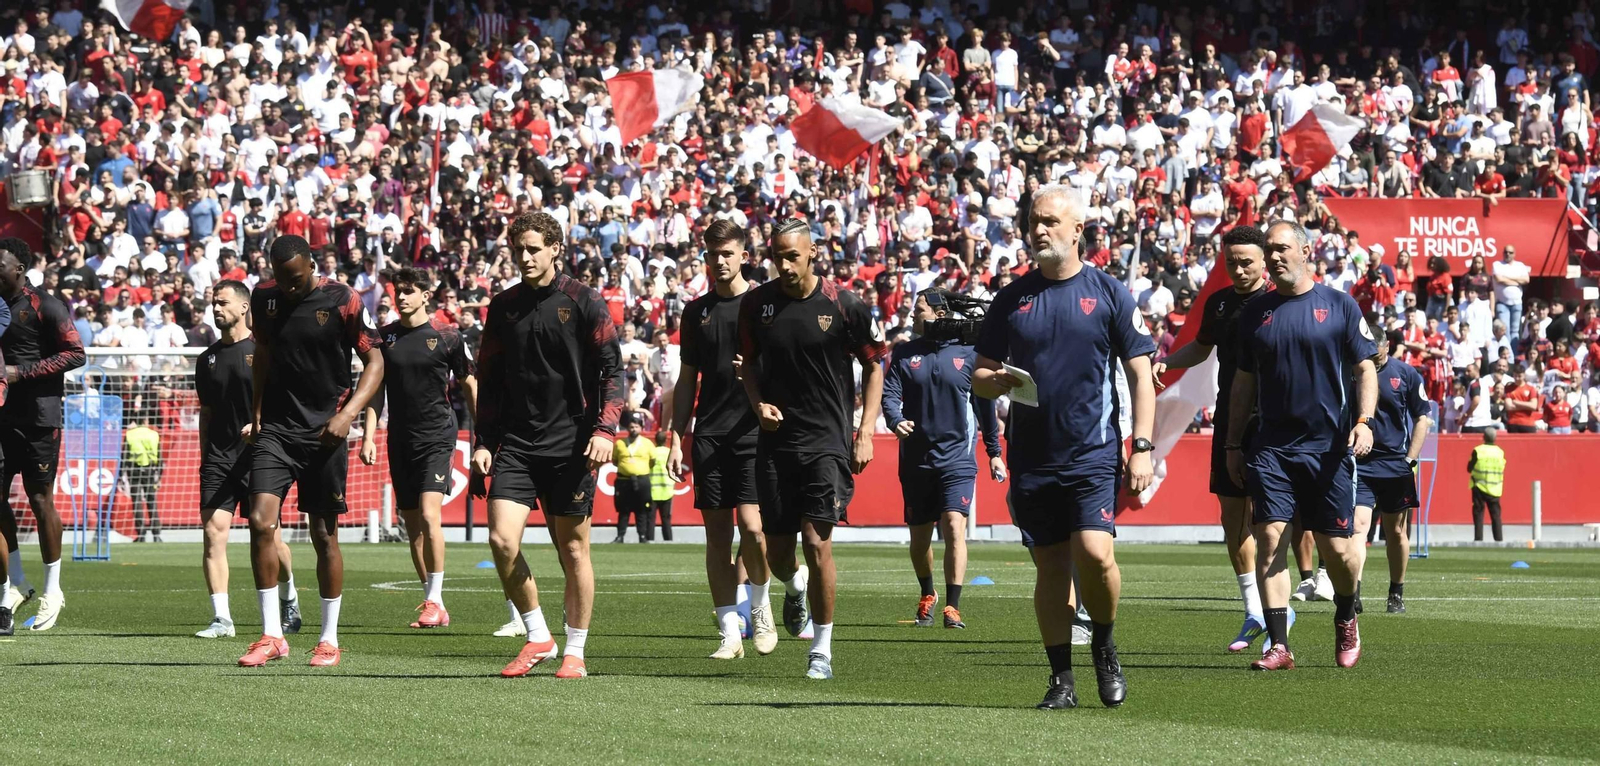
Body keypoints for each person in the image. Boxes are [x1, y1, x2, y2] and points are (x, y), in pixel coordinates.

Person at [973, 186, 1156, 709]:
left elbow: (1141, 372)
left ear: (1078, 230)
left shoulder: (1109, 292)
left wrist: (1141, 445)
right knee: (1051, 568)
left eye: (1050, 221)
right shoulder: (1011, 298)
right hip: (1032, 456)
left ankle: (1104, 644)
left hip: (1092, 451)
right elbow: (979, 374)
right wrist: (994, 382)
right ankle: (1062, 680)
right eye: (1034, 220)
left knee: (1095, 555)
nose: (1039, 229)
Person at [473, 212, 622, 680]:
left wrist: (605, 430)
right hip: (517, 443)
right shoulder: (503, 306)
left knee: (573, 550)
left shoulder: (584, 300)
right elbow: (489, 380)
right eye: (518, 249)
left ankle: (575, 650)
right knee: (501, 540)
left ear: (556, 248)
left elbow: (613, 371)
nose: (525, 256)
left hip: (573, 443)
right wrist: (484, 441)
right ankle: (539, 636)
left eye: (534, 248)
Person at [738, 216, 888, 680]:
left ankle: (820, 649)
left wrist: (865, 431)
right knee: (779, 554)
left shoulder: (845, 305)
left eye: (792, 256)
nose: (785, 265)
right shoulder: (756, 304)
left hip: (827, 442)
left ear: (812, 254)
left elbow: (875, 365)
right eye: (777, 257)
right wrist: (758, 404)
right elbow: (747, 365)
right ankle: (794, 586)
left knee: (817, 542)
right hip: (775, 444)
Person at [1227, 220, 1379, 672]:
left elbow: (1365, 369)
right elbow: (1243, 383)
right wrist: (1234, 444)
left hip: (1328, 449)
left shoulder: (1339, 305)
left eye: (1282, 248)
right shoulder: (1256, 313)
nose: (1274, 257)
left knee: (1338, 552)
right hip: (1271, 448)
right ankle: (1279, 645)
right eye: (1269, 249)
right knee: (1270, 538)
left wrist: (1365, 422)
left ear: (1306, 250)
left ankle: (1346, 613)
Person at [237, 235, 385, 668]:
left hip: (326, 433)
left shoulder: (343, 299)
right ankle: (271, 635)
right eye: (282, 279)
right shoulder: (263, 297)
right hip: (276, 432)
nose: (289, 287)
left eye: (297, 279)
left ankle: (328, 639)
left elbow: (376, 363)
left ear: (312, 266)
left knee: (323, 535)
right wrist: (257, 413)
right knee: (260, 521)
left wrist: (348, 415)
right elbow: (262, 354)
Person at [1151, 225, 1280, 652]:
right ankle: (1254, 612)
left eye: (1246, 262)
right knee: (1232, 517)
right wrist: (1167, 362)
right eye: (1232, 262)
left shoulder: (1280, 302)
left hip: (1275, 419)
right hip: (1229, 416)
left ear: (1264, 262)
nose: (1239, 269)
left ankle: (1279, 612)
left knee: (1269, 521)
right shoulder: (1219, 303)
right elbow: (1201, 347)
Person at [668, 219, 779, 661]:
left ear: (744, 256)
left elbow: (787, 365)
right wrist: (675, 437)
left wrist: (756, 373)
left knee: (753, 528)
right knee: (717, 538)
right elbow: (686, 379)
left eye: (728, 253)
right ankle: (730, 633)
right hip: (710, 433)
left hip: (754, 431)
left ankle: (762, 607)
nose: (720, 261)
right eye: (713, 254)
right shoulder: (696, 311)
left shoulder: (765, 306)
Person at [883, 288, 1004, 630]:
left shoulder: (970, 354)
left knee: (953, 526)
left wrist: (994, 452)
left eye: (919, 309)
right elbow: (890, 394)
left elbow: (985, 407)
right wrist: (895, 419)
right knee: (920, 537)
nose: (912, 315)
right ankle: (928, 593)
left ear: (939, 314)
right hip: (916, 460)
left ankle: (953, 606)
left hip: (957, 459)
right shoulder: (904, 353)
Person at [365, 267, 477, 630]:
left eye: (409, 291)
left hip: (438, 435)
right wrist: (369, 435)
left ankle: (434, 600)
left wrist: (482, 435)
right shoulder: (384, 338)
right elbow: (375, 390)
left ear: (425, 296)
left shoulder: (448, 336)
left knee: (430, 516)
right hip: (400, 438)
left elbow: (469, 384)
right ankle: (434, 603)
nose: (401, 297)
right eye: (398, 291)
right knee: (411, 526)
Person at [192, 280, 299, 640]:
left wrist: (260, 424)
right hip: (219, 459)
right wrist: (205, 455)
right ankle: (222, 619)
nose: (216, 308)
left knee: (269, 537)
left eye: (223, 302)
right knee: (213, 533)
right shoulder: (206, 360)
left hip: (261, 456)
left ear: (243, 308)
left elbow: (283, 404)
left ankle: (289, 594)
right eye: (213, 302)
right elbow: (206, 412)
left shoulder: (263, 351)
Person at [0, 238, 83, 632]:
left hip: (38, 418)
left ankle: (53, 589)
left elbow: (76, 353)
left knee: (39, 499)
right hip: (1, 417)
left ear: (19, 269)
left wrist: (20, 372)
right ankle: (15, 583)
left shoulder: (45, 305)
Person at [1353, 330, 1431, 616]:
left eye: (1377, 351)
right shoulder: (1351, 370)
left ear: (1387, 346)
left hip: (1395, 464)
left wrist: (1410, 459)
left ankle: (1396, 592)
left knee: (1395, 532)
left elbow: (1422, 418)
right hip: (1360, 463)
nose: (1373, 357)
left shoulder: (1406, 374)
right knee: (1358, 527)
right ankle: (1353, 592)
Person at [611, 416, 654, 543]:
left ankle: (642, 536)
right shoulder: (620, 443)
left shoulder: (647, 443)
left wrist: (639, 469)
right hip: (624, 480)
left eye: (636, 427)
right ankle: (620, 536)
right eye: (631, 427)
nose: (633, 429)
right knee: (623, 509)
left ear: (641, 428)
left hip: (642, 480)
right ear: (627, 428)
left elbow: (652, 461)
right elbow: (615, 460)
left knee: (642, 509)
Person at [123, 417, 162, 542]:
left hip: (133, 469)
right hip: (149, 469)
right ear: (146, 421)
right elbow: (159, 456)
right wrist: (159, 475)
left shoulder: (130, 435)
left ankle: (141, 533)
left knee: (136, 501)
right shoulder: (154, 434)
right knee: (151, 500)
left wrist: (121, 474)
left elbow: (124, 455)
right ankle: (156, 534)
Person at [1468, 427, 1506, 542]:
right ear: (1495, 438)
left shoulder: (1478, 450)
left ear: (1483, 437)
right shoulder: (1500, 452)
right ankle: (1499, 540)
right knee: (1496, 515)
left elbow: (1469, 468)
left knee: (1478, 514)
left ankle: (1478, 539)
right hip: (1495, 487)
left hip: (1479, 486)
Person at [648, 431, 674, 542]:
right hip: (667, 490)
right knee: (666, 518)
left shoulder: (652, 452)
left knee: (650, 518)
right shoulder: (669, 452)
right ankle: (668, 540)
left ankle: (649, 540)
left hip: (652, 489)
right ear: (666, 440)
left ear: (655, 440)